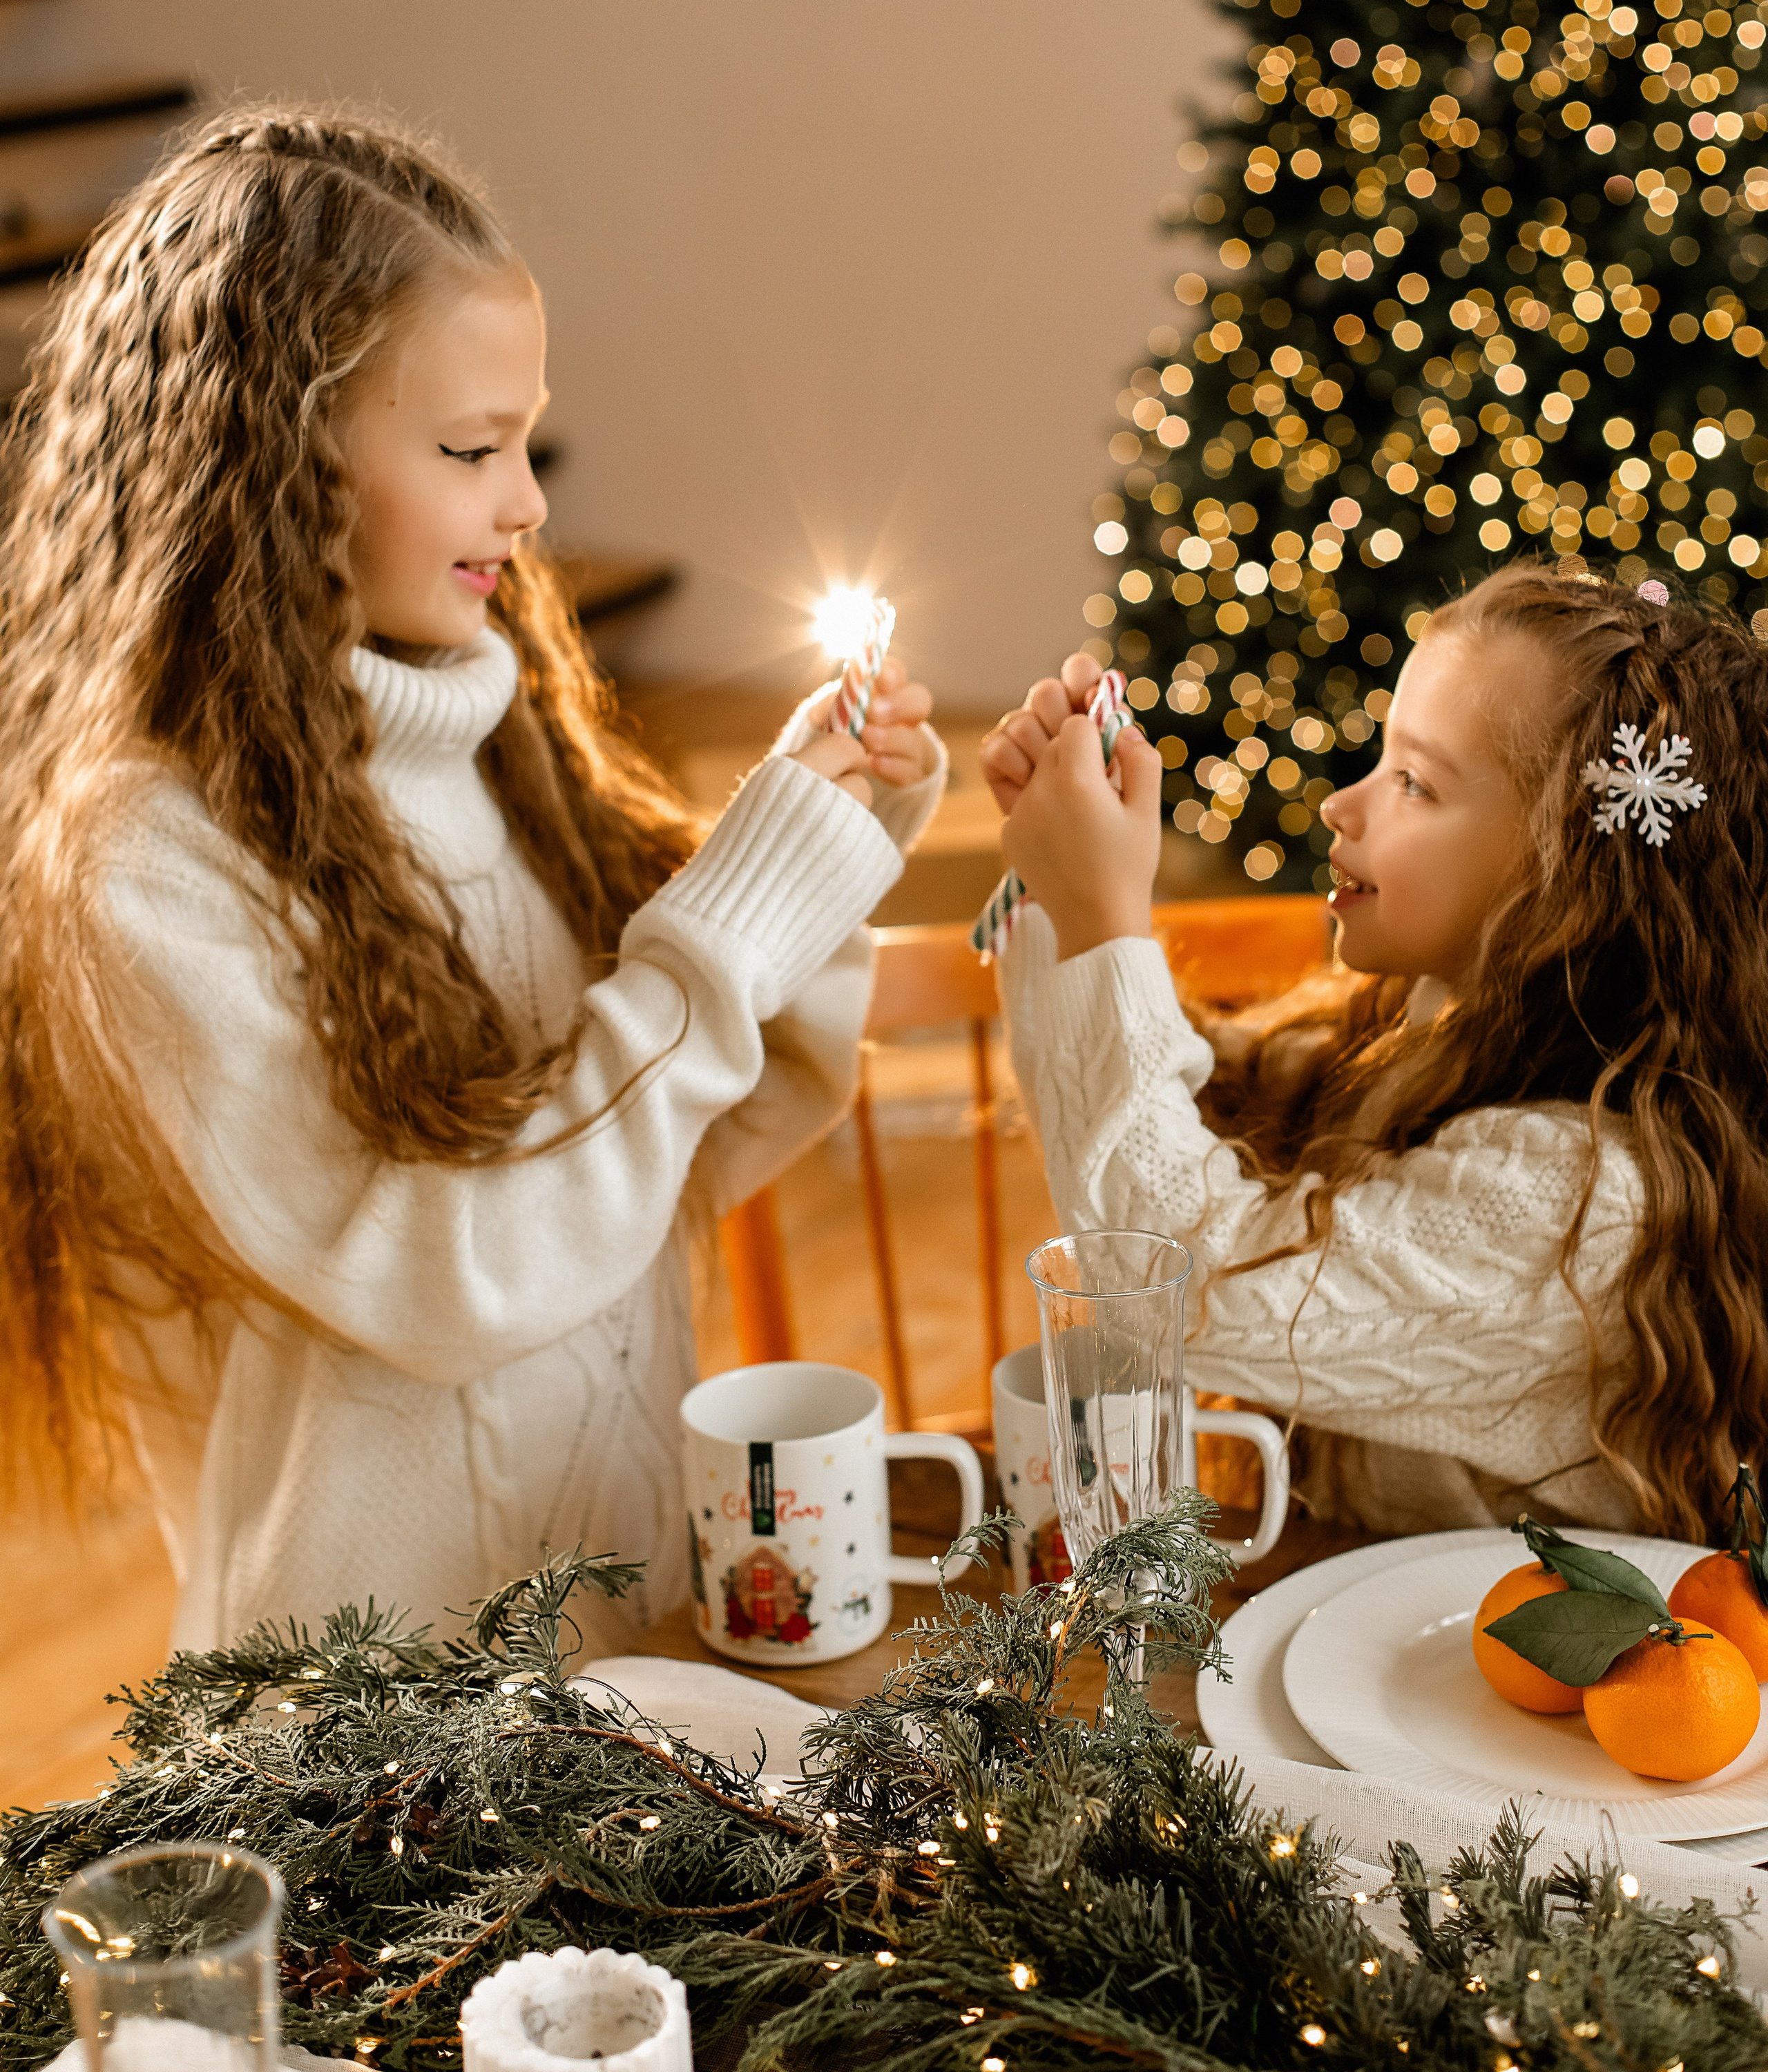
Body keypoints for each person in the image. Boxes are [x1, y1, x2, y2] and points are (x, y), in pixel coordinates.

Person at [0, 107, 944, 1654]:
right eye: (467, 450)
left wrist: (818, 873)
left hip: (618, 1614)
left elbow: (666, 1164)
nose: (528, 503)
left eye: (526, 437)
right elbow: (451, 1277)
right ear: (272, 465)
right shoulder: (148, 856)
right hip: (380, 1703)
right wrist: (729, 922)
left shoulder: (494, 730)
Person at [979, 562, 1768, 1542]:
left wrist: (1100, 922)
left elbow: (1183, 1286)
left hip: (1511, 1687)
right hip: (1358, 1627)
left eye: (1415, 782)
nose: (1343, 806)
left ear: (1576, 883)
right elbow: (1184, 1109)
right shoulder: (1417, 1020)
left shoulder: (1588, 1200)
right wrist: (1060, 886)